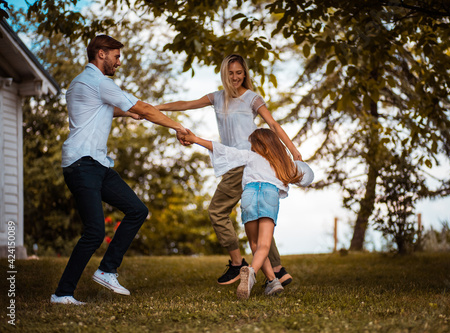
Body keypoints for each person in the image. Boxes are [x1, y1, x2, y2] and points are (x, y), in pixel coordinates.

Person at [50, 35, 188, 305]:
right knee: (94, 231)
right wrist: (178, 127)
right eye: (116, 55)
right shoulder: (100, 81)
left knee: (137, 210)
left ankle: (106, 270)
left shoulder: (79, 83)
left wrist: (127, 112)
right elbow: (145, 108)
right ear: (101, 53)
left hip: (95, 163)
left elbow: (100, 110)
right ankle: (63, 293)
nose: (119, 62)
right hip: (83, 164)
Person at [156, 54, 302, 286]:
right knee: (257, 215)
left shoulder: (252, 98)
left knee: (217, 210)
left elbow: (272, 124)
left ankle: (237, 264)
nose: (235, 77)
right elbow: (187, 104)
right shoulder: (217, 98)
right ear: (225, 73)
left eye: (239, 72)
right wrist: (154, 109)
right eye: (231, 73)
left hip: (245, 162)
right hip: (233, 161)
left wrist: (292, 149)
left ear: (245, 74)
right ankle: (277, 271)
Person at [180, 128, 314, 299]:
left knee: (255, 244)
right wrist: (298, 161)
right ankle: (251, 272)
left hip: (249, 194)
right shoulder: (284, 163)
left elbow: (223, 151)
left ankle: (273, 282)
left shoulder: (250, 156)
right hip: (269, 195)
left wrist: (195, 138)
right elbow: (308, 176)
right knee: (265, 245)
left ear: (258, 145)